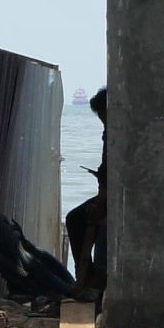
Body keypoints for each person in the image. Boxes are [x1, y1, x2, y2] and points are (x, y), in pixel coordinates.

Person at [63, 87, 107, 298]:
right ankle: (89, 275)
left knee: (75, 219)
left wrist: (101, 202)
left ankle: (90, 276)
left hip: (116, 196)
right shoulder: (112, 131)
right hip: (111, 194)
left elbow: (112, 173)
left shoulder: (116, 132)